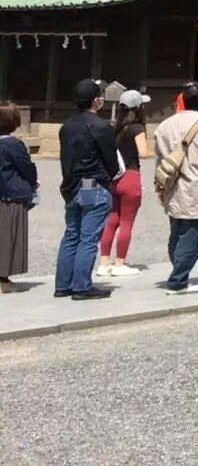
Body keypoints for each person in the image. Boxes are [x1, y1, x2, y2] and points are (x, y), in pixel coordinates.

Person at [154, 83, 198, 296]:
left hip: (172, 185)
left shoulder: (164, 125)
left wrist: (159, 185)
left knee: (176, 231)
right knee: (191, 235)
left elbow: (160, 159)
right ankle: (178, 281)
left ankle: (178, 270)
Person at [55, 79, 120, 300]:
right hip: (94, 183)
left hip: (72, 185)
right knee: (88, 238)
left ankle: (63, 283)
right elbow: (111, 160)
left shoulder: (67, 126)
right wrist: (110, 179)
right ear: (96, 100)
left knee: (71, 235)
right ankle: (81, 285)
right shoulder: (101, 126)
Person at [98, 89, 151, 278]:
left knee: (111, 219)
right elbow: (143, 152)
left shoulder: (115, 128)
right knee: (127, 221)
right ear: (138, 107)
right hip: (131, 175)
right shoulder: (137, 128)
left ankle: (104, 262)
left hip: (115, 177)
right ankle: (119, 262)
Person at [0, 103, 35, 293]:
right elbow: (26, 166)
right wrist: (33, 181)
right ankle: (2, 278)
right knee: (8, 235)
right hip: (10, 193)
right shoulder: (13, 145)